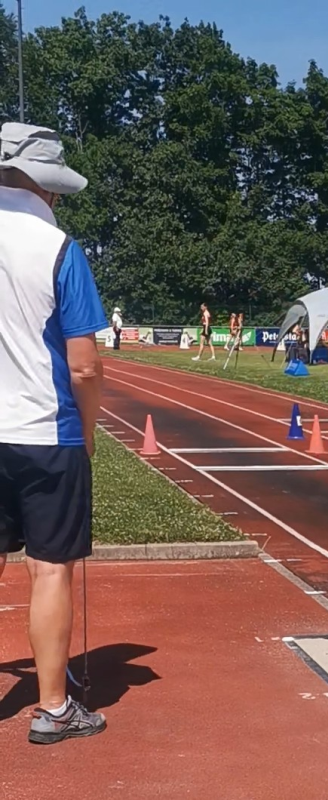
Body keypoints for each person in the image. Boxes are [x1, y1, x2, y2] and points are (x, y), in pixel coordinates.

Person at [0, 122, 108, 743]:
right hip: (47, 430)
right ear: (45, 185)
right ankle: (53, 708)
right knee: (49, 570)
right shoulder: (59, 248)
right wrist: (87, 433)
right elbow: (84, 365)